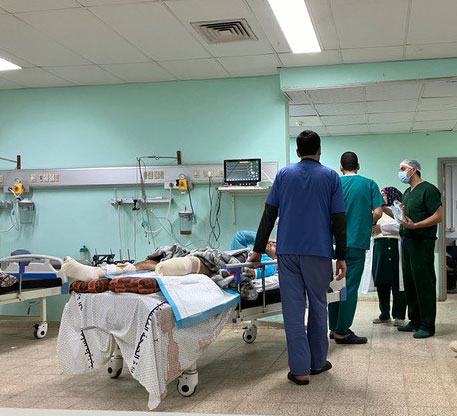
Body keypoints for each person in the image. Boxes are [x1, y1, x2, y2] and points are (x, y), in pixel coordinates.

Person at [248, 130, 347, 386]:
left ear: (297, 151)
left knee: (293, 310)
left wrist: (258, 249)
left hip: (287, 251)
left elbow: (269, 213)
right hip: (319, 252)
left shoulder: (284, 175)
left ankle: (300, 370)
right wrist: (342, 256)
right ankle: (317, 362)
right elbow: (339, 220)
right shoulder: (331, 177)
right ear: (320, 150)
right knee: (318, 305)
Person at [328, 152, 384, 344]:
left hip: (332, 244)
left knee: (333, 287)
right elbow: (378, 211)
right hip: (356, 243)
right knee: (349, 288)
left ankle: (333, 328)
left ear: (341, 167)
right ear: (358, 166)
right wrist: (367, 221)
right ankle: (343, 331)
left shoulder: (334, 184)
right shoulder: (369, 184)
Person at [397, 159, 443, 339]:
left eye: (402, 169)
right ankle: (414, 320)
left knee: (423, 282)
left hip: (422, 241)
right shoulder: (408, 192)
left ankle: (427, 325)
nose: (400, 172)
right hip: (407, 240)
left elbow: (438, 216)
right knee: (409, 281)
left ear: (414, 170)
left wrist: (417, 226)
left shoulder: (429, 190)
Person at [370, 187, 406, 326]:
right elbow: (371, 227)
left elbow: (402, 226)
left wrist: (382, 229)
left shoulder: (398, 209)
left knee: (398, 283)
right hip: (379, 248)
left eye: (384, 195)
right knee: (381, 282)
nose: (381, 196)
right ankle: (384, 314)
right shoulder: (376, 212)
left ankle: (399, 316)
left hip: (396, 247)